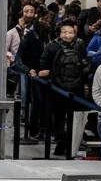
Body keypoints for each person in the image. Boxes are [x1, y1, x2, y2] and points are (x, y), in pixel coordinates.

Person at [34, 20, 89, 158]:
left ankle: (67, 147)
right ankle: (63, 141)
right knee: (57, 121)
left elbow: (84, 61)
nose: (67, 35)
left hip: (76, 88)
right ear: (59, 32)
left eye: (70, 32)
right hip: (57, 88)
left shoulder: (80, 44)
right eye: (64, 32)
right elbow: (43, 64)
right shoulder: (52, 46)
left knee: (74, 120)